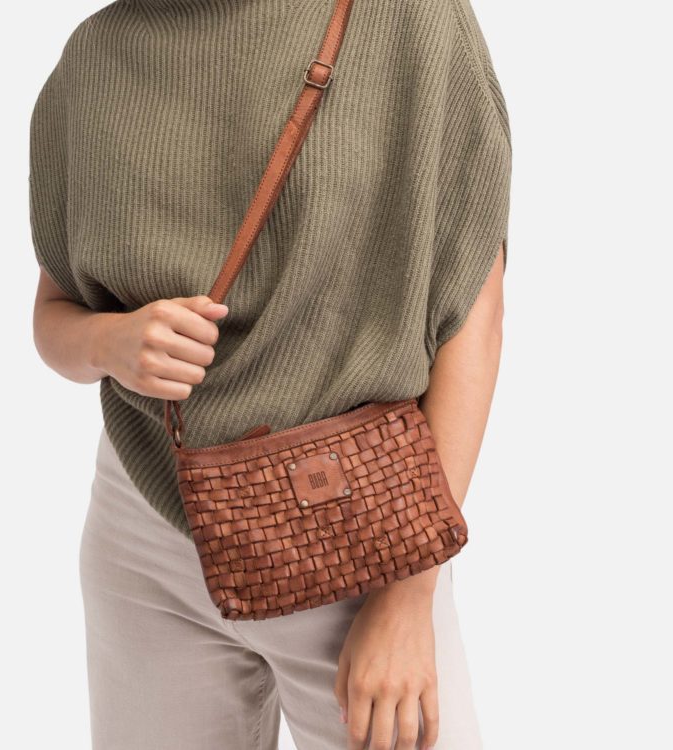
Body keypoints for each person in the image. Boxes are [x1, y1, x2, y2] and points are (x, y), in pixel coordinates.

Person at [28, 0, 512, 748]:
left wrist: (409, 595)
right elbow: (53, 315)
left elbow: (475, 312)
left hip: (358, 538)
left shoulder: (405, 17)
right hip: (144, 526)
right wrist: (110, 342)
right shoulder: (94, 57)